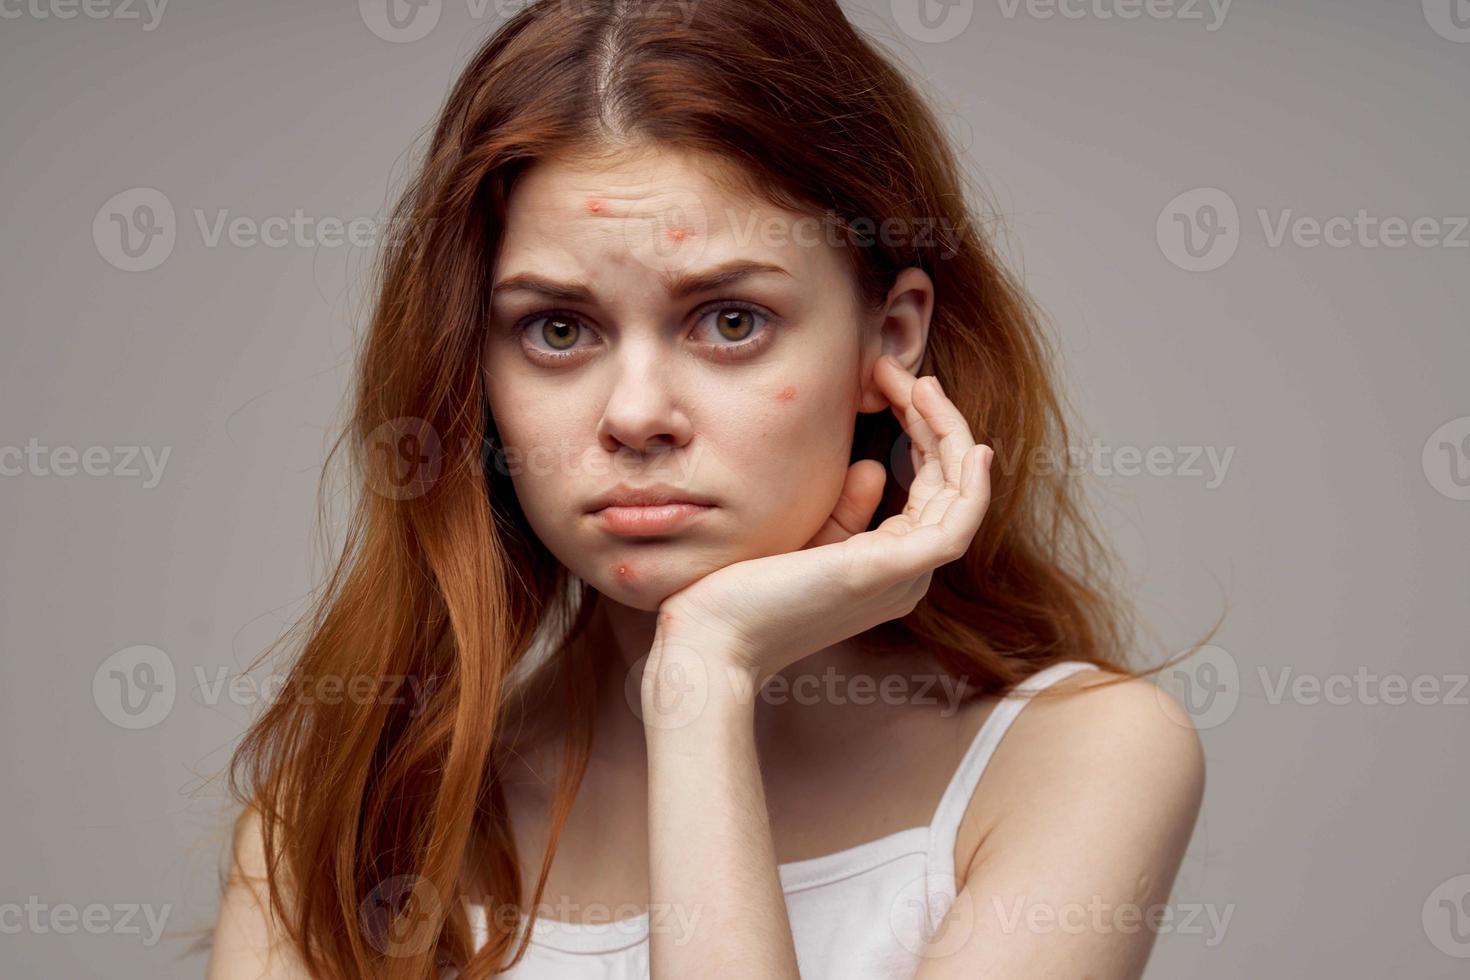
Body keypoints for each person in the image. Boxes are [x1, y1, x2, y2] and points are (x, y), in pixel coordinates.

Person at [206, 1, 1208, 977]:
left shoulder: (1077, 758)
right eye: (559, 328)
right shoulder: (330, 829)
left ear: (888, 340)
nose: (637, 413)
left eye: (730, 320)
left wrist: (703, 680)